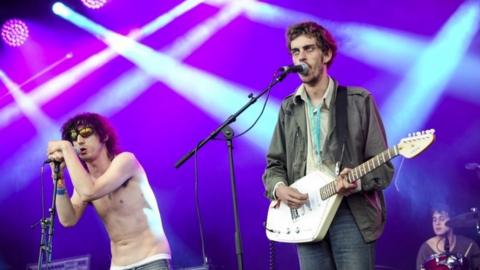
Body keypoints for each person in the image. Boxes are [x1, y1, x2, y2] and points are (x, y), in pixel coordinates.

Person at [262, 21, 394, 270]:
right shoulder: (289, 108)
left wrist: (357, 183)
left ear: (327, 54)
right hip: (306, 212)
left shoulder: (358, 101)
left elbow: (383, 168)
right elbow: (274, 165)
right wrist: (279, 188)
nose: (301, 56)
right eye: (295, 51)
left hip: (350, 214)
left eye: (309, 49)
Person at [46, 112, 172, 270]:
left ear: (104, 136)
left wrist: (65, 147)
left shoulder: (126, 161)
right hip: (118, 265)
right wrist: (59, 180)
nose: (78, 141)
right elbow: (67, 220)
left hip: (151, 259)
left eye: (86, 133)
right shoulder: (86, 182)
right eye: (73, 137)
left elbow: (89, 192)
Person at [416, 205, 480, 270]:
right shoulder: (425, 249)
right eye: (434, 220)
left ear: (453, 220)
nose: (437, 223)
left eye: (442, 219)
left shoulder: (469, 245)